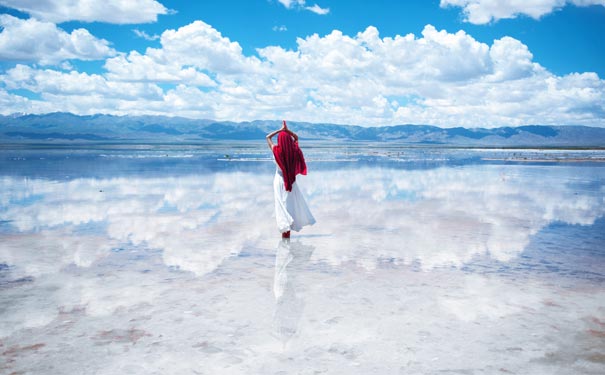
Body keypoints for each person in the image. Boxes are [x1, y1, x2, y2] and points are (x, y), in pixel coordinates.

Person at [266, 120, 316, 239]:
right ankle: (287, 233)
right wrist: (287, 131)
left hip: (279, 181)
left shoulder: (276, 151)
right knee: (290, 205)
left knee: (281, 205)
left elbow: (267, 137)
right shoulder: (295, 151)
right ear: (289, 140)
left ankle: (285, 234)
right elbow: (297, 138)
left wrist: (280, 130)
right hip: (291, 182)